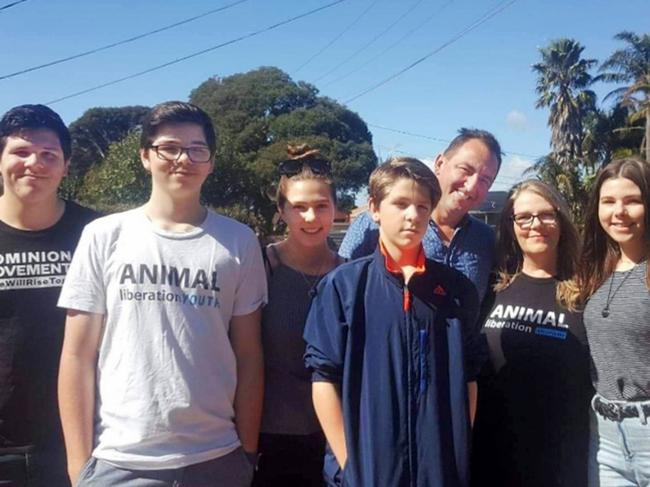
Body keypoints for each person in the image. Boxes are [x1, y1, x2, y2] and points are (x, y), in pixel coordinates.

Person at [57, 101, 266, 487]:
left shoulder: (239, 242)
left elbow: (249, 355)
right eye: (169, 147)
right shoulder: (104, 236)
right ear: (145, 157)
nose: (183, 159)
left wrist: (247, 453)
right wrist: (77, 466)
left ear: (211, 161)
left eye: (196, 149)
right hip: (120, 462)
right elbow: (77, 354)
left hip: (218, 458)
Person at [304, 157, 481, 487]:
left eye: (422, 206)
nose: (412, 216)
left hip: (439, 472)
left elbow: (469, 378)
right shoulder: (343, 287)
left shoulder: (456, 291)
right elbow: (323, 379)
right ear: (374, 207)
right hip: (369, 471)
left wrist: (455, 454)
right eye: (400, 204)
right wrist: (350, 467)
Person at [0, 104, 98, 487]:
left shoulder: (98, 233)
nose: (34, 163)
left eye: (48, 154)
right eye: (20, 152)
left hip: (83, 439)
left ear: (66, 165)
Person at [471, 180, 592, 486]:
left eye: (546, 214)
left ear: (561, 219)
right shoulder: (490, 291)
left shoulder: (586, 294)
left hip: (560, 467)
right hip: (490, 462)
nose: (535, 224)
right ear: (511, 225)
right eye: (524, 217)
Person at [253, 144, 343, 487]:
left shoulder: (350, 277)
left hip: (333, 441)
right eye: (299, 207)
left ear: (334, 208)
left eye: (321, 206)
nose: (310, 218)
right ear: (281, 212)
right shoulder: (260, 268)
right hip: (268, 439)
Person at [338, 128, 502, 303]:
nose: (472, 186)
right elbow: (340, 289)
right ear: (439, 164)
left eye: (485, 180)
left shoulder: (487, 240)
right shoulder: (374, 224)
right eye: (465, 170)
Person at [579, 157, 650, 486]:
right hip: (605, 436)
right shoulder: (596, 269)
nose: (618, 212)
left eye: (632, 201)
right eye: (608, 201)